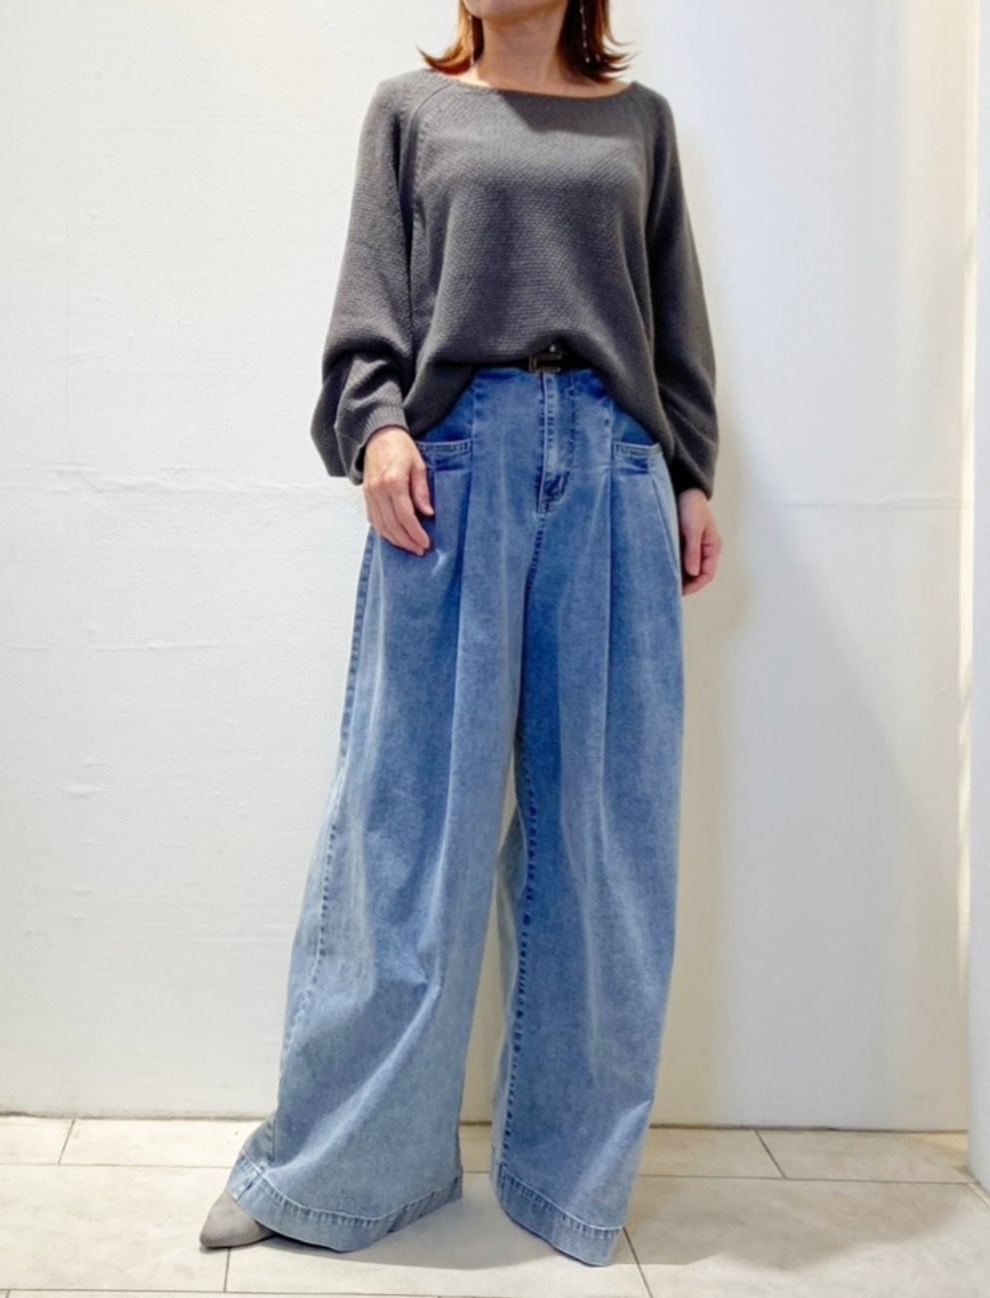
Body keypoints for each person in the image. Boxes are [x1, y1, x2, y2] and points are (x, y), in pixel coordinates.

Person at [201, 0, 722, 1268]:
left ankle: (567, 1180)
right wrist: (376, 426)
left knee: (603, 839)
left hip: (612, 471)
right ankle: (334, 1173)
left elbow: (671, 319)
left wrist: (690, 474)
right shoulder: (410, 112)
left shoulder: (640, 126)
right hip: (451, 471)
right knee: (404, 828)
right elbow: (367, 305)